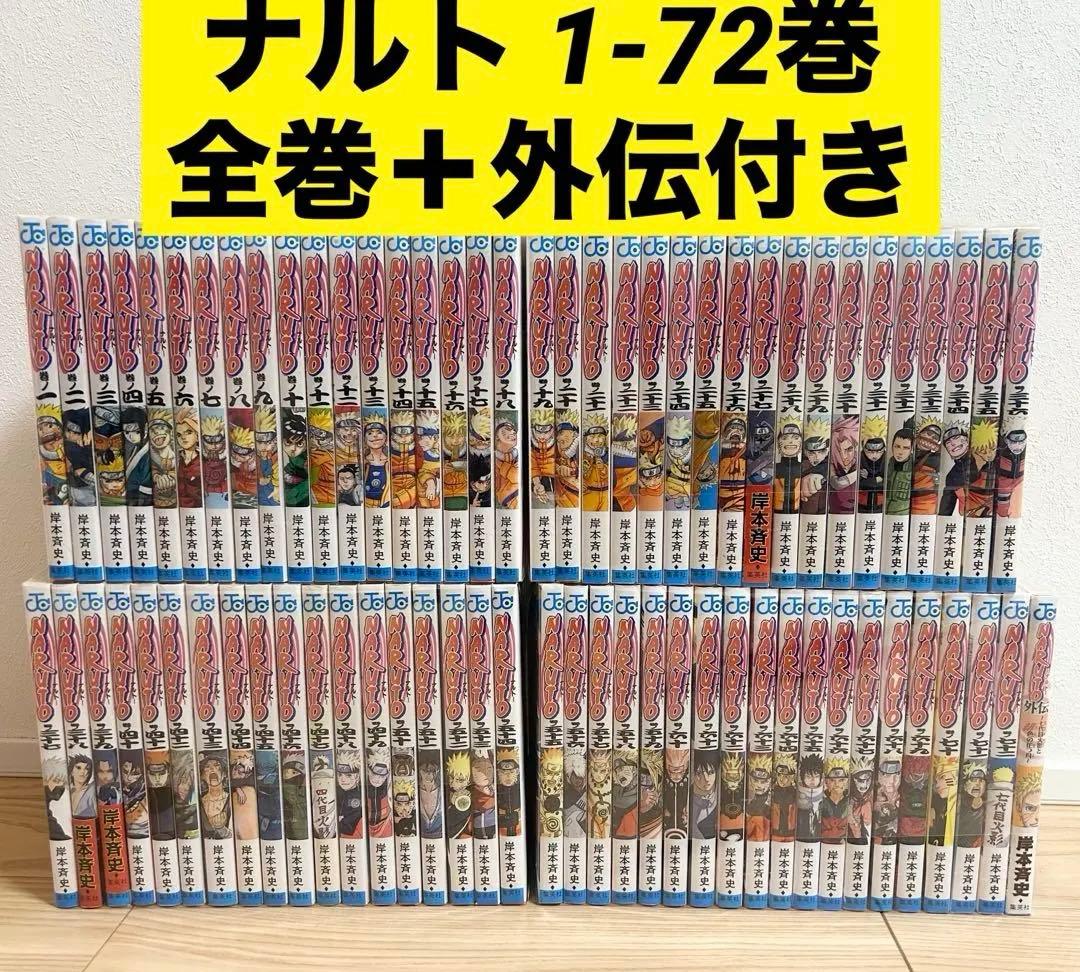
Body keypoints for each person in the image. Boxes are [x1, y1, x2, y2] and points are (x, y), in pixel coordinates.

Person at [199, 753, 232, 838]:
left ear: (224, 774)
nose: (212, 769)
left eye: (217, 765)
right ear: (202, 776)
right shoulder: (199, 801)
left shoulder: (232, 799)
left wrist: (221, 828)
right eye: (207, 767)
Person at [885, 424, 914, 514]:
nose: (900, 452)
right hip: (885, 511)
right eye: (897, 446)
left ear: (911, 449)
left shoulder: (915, 466)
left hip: (903, 512)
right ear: (892, 446)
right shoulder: (889, 463)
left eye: (906, 448)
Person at [689, 750, 719, 839]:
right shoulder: (686, 798)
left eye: (711, 772)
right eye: (699, 773)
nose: (706, 779)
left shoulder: (720, 795)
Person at [529, 407, 555, 505]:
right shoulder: (530, 444)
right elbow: (532, 465)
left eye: (546, 432)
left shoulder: (558, 442)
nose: (542, 436)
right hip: (537, 480)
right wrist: (537, 483)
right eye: (539, 432)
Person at [335, 754, 364, 838]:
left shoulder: (357, 795)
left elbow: (349, 825)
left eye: (348, 775)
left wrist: (338, 821)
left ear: (357, 776)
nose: (343, 779)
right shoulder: (339, 792)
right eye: (340, 775)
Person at [496, 749, 521, 836]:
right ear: (498, 773)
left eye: (511, 772)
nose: (508, 776)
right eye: (503, 772)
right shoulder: (495, 790)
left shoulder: (519, 789)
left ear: (517, 772)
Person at [68, 753, 96, 818]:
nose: (83, 772)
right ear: (71, 772)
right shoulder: (68, 792)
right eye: (78, 768)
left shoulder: (92, 790)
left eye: (87, 768)